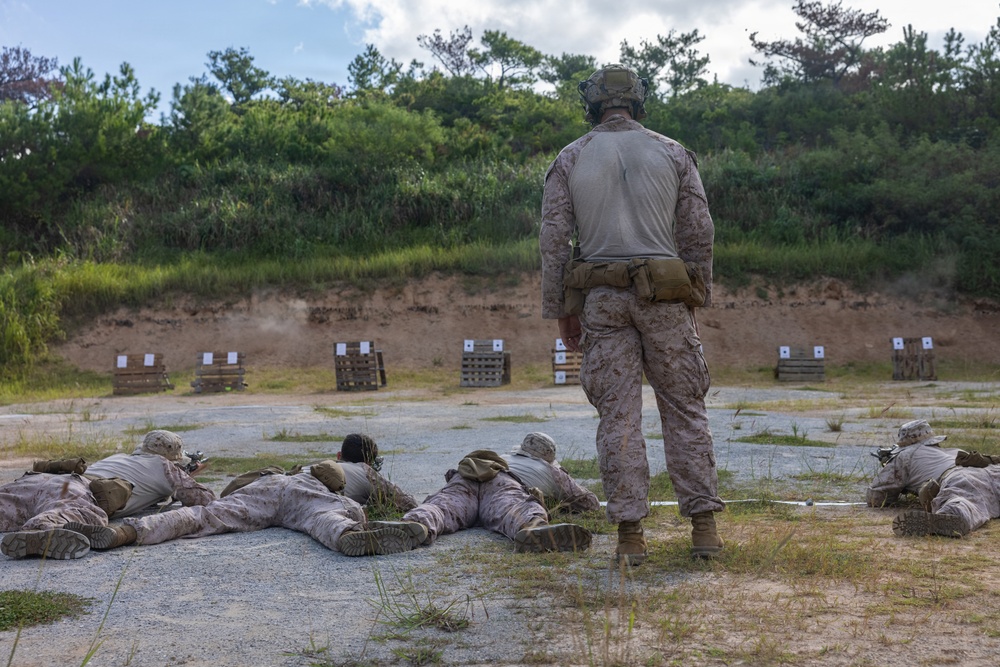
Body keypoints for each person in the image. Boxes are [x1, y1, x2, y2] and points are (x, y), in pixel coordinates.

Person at [539, 63, 723, 563]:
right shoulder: (673, 153)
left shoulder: (570, 158)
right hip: (664, 301)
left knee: (618, 419)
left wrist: (561, 312)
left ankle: (629, 537)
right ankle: (703, 528)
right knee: (685, 410)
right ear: (638, 103)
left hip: (602, 302)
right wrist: (694, 298)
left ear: (593, 104)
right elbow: (698, 234)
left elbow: (555, 241)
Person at [67, 460, 414, 557]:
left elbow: (209, 503)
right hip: (308, 493)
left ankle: (124, 532)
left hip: (265, 488)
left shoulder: (309, 463)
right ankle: (348, 537)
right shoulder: (365, 470)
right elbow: (405, 503)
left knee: (201, 518)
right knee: (325, 518)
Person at [0, 430, 213, 560]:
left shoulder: (119, 457)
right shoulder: (168, 467)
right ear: (174, 458)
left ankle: (35, 529)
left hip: (43, 479)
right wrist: (184, 480)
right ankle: (40, 531)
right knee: (84, 514)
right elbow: (204, 501)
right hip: (79, 488)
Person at [371, 433, 597, 553]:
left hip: (467, 476)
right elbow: (587, 502)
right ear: (548, 455)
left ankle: (416, 523)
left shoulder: (507, 457)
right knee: (514, 509)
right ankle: (534, 528)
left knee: (444, 506)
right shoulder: (551, 470)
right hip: (502, 484)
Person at [868, 419, 1000, 537]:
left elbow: (877, 497)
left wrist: (890, 466)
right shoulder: (952, 451)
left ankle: (951, 516)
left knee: (961, 501)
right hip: (991, 471)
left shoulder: (905, 455)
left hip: (960, 477)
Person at [85, 429, 214, 518]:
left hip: (71, 479)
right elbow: (207, 500)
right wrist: (186, 478)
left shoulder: (118, 457)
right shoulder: (165, 466)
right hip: (93, 495)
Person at [336, 433, 417, 512]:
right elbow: (408, 503)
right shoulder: (366, 471)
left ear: (339, 455)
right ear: (368, 463)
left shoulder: (326, 465)